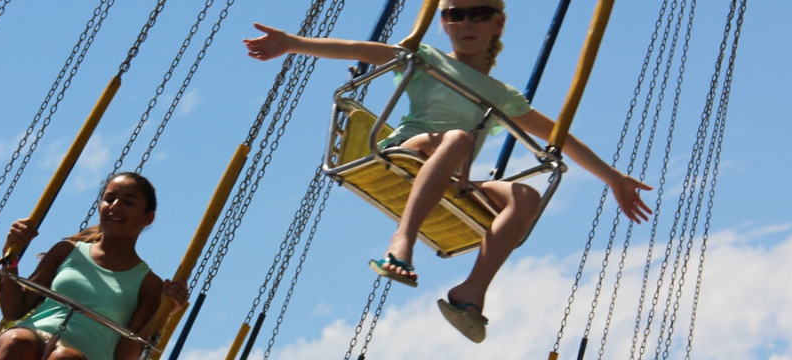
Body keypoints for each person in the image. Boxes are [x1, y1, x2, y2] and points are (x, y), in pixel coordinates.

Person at [243, 0, 653, 343]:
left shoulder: (504, 96)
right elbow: (360, 49)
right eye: (455, 14)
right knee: (458, 138)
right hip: (408, 150)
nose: (466, 23)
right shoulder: (424, 58)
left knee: (525, 194)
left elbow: (558, 138)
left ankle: (471, 293)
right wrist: (293, 43)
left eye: (478, 13)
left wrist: (613, 178)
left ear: (498, 23)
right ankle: (401, 242)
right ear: (442, 23)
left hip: (454, 172)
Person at [0, 173, 190, 360]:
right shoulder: (66, 251)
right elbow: (13, 309)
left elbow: (126, 354)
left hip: (87, 354)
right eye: (109, 199)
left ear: (148, 218)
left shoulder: (149, 285)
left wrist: (164, 312)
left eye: (128, 202)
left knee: (65, 358)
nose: (116, 206)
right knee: (16, 342)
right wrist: (12, 254)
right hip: (34, 334)